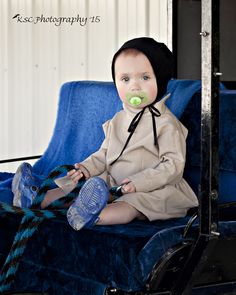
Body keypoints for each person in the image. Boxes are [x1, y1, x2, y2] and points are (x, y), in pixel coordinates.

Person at [12, 37, 198, 230]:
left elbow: (172, 166)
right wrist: (86, 168)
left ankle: (92, 216)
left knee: (133, 204)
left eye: (145, 77)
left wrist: (138, 182)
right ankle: (36, 198)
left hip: (152, 188)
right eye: (125, 79)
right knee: (81, 186)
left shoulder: (166, 124)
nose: (134, 86)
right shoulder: (118, 119)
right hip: (113, 182)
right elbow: (104, 153)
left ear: (160, 79)